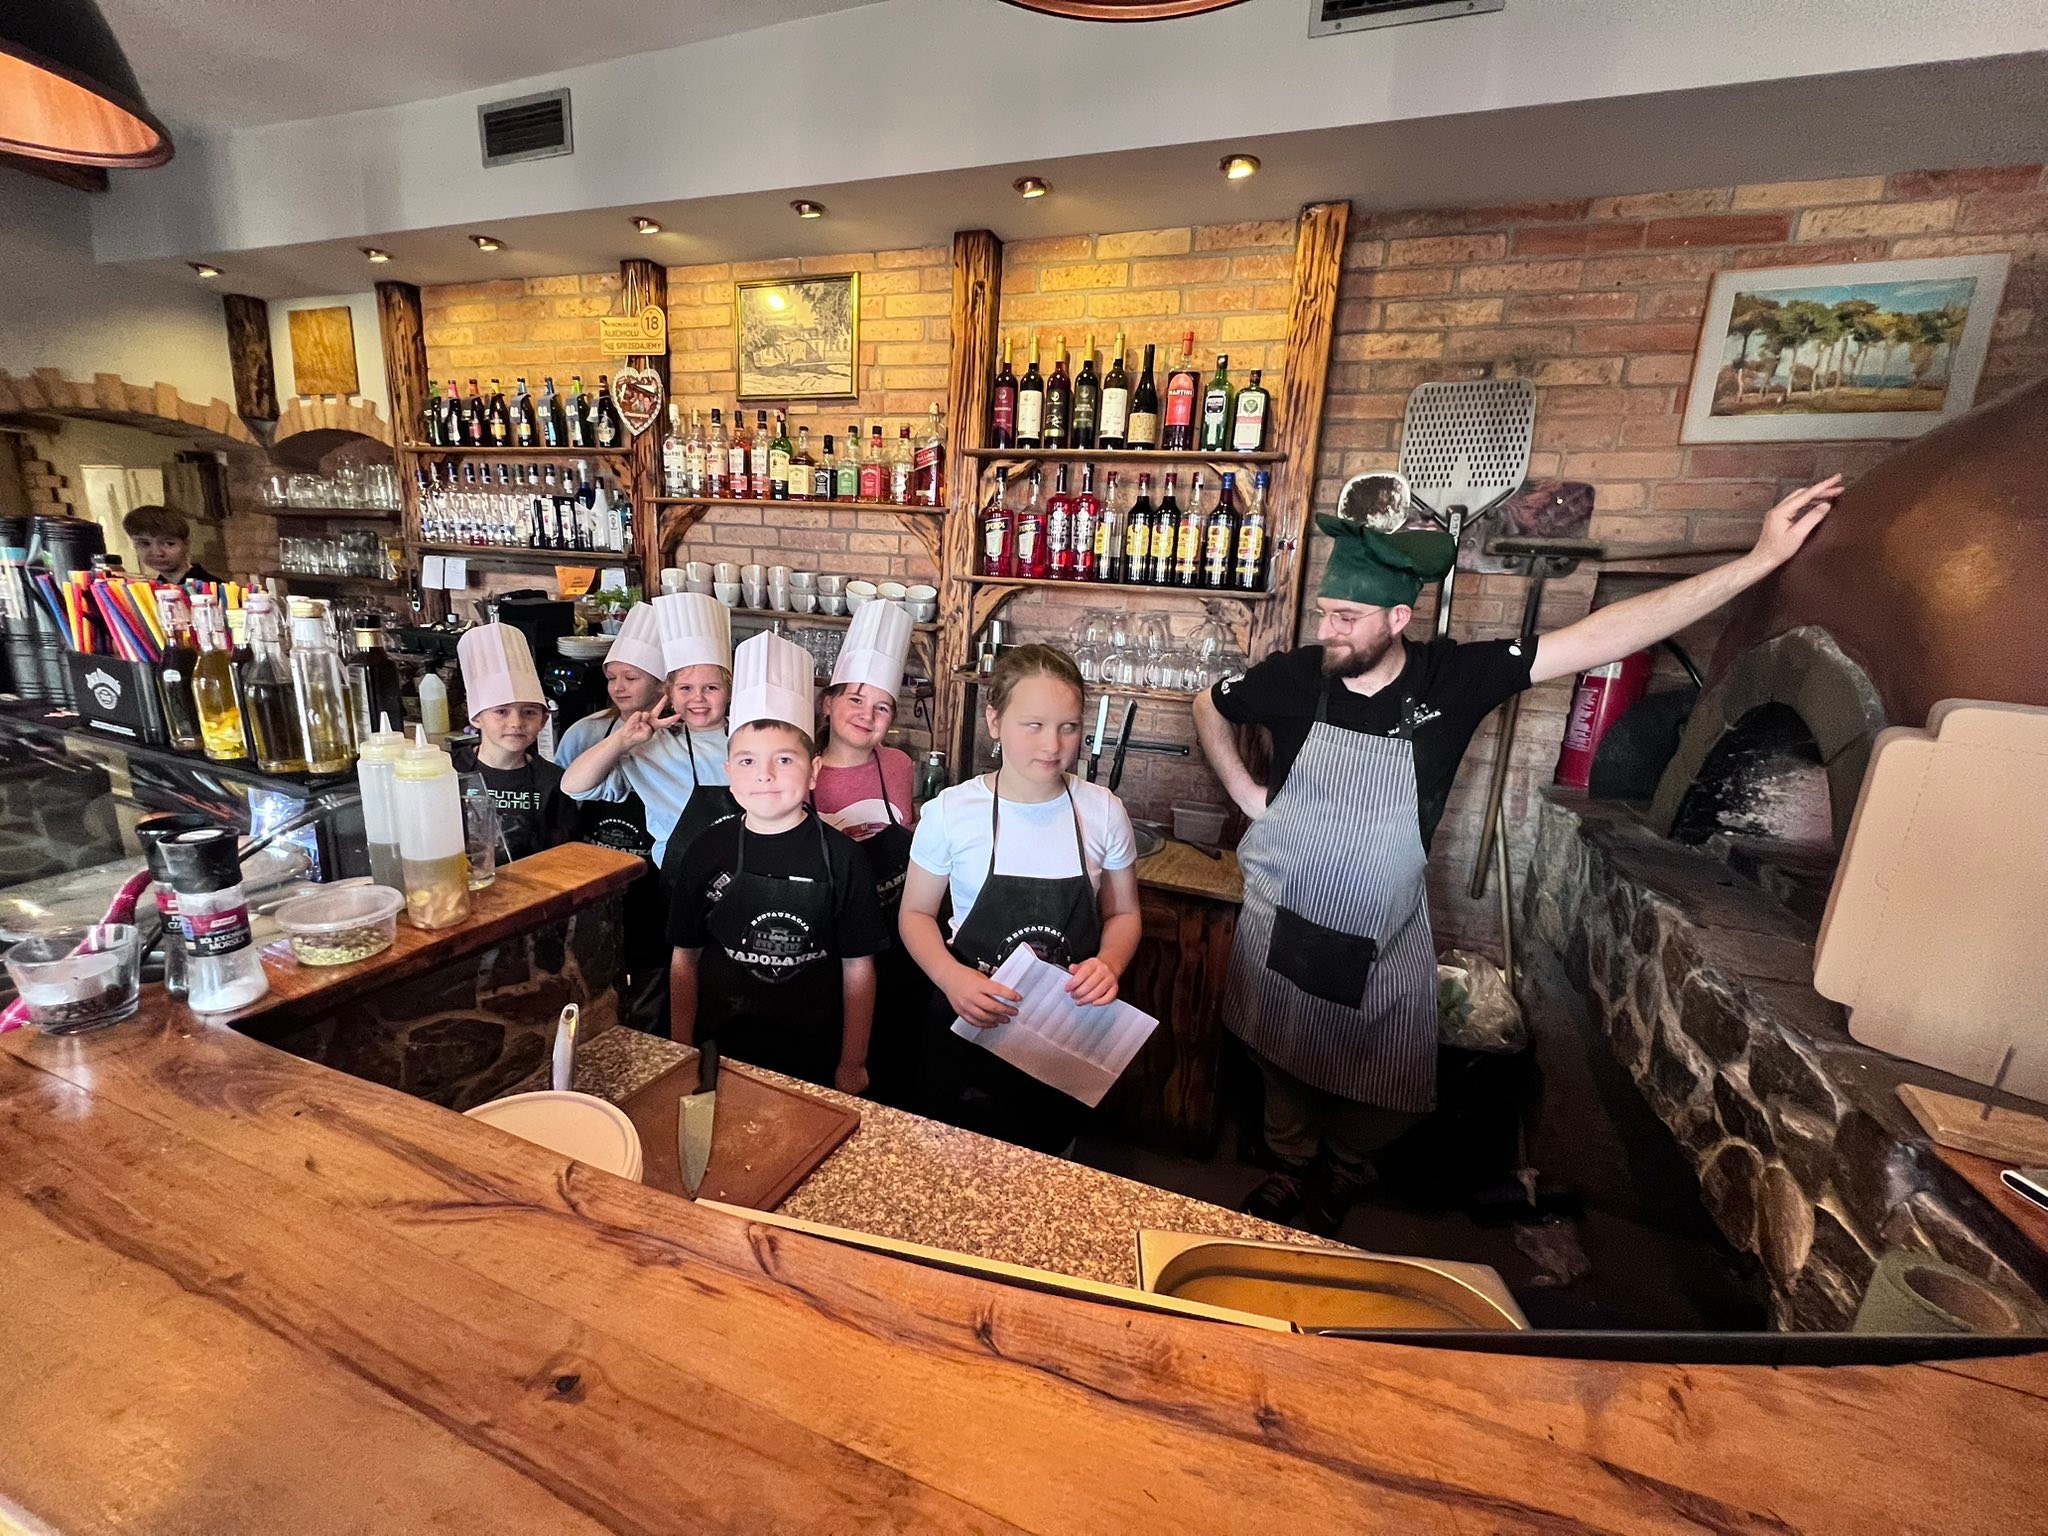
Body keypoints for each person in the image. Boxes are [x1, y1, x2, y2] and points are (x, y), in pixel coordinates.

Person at [1193, 475, 1843, 1236]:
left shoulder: (1453, 679)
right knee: (1278, 1055)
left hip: (1379, 929)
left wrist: (1759, 560)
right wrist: (1246, 792)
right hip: (1282, 911)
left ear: (1398, 618)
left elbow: (1606, 635)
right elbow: (1209, 703)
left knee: (1391, 1078)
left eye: (1346, 617)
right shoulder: (1293, 677)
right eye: (1324, 613)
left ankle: (1344, 1164)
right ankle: (1289, 1165)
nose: (1327, 630)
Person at [899, 643, 1142, 1154]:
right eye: (1033, 725)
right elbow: (915, 915)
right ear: (995, 721)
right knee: (949, 1162)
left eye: (1068, 727)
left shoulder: (1102, 812)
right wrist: (951, 978)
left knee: (1050, 1164)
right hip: (970, 1018)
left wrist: (1110, 963)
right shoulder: (952, 812)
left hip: (1063, 1031)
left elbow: (1123, 912)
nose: (1052, 744)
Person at [668, 631, 887, 1093]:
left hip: (814, 1053)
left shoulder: (844, 858)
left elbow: (858, 968)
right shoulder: (705, 849)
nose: (764, 775)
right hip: (719, 1051)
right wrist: (680, 1045)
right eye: (747, 761)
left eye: (784, 760)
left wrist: (853, 1061)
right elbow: (685, 957)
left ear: (814, 772)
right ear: (729, 773)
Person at [812, 599, 925, 1105]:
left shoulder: (899, 764)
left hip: (897, 938)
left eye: (882, 707)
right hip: (831, 943)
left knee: (895, 1060)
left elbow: (908, 834)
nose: (867, 715)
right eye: (856, 699)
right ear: (827, 703)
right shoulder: (804, 770)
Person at [561, 592, 737, 871]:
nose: (698, 698)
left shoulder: (751, 740)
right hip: (679, 876)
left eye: (711, 688)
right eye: (685, 688)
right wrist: (622, 740)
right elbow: (573, 786)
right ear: (669, 693)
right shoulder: (651, 748)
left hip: (745, 873)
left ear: (729, 691)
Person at [555, 600, 669, 1030]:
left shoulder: (676, 741)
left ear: (662, 683)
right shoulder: (584, 733)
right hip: (595, 881)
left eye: (631, 677)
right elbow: (566, 800)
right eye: (612, 677)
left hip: (654, 886)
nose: (619, 687)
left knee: (651, 986)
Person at [451, 623, 576, 862]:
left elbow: (563, 855)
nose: (516, 723)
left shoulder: (553, 781)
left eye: (529, 712)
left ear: (544, 720)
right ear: (476, 717)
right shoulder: (447, 770)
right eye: (501, 711)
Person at [121, 504, 214, 585]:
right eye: (144, 543)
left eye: (169, 544)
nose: (157, 553)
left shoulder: (212, 588)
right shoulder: (154, 588)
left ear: (186, 545)